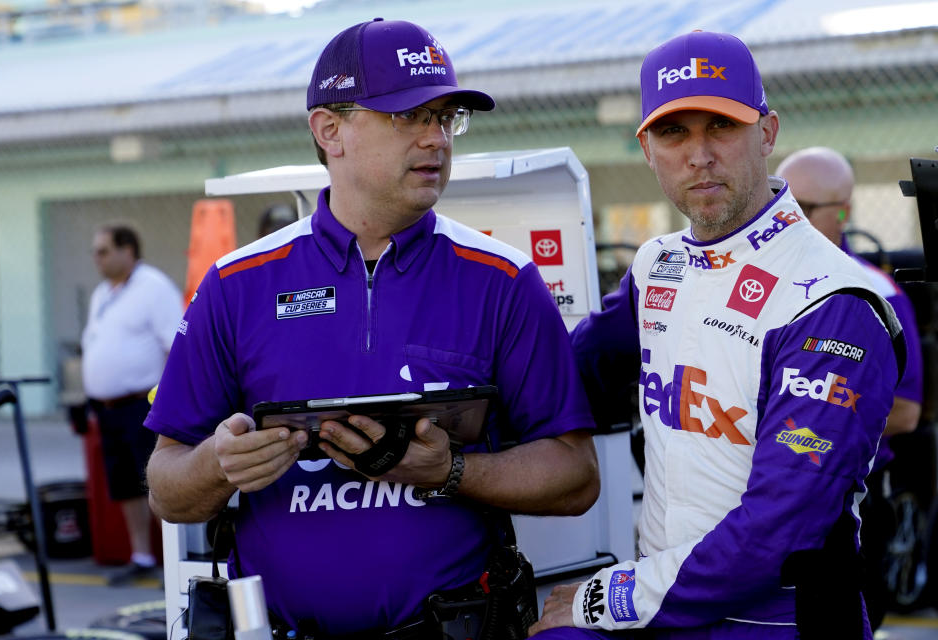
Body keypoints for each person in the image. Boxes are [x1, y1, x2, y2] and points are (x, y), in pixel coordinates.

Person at [144, 18, 600, 638]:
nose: (435, 139)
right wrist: (219, 465)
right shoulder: (236, 284)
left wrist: (451, 471)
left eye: (445, 118)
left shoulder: (504, 280)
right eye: (409, 116)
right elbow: (166, 492)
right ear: (329, 130)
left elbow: (576, 476)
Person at [530, 31, 906, 639]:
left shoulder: (832, 299)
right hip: (667, 607)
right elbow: (571, 372)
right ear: (647, 148)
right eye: (675, 132)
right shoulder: (658, 264)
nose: (698, 154)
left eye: (722, 127)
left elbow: (779, 526)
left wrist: (608, 597)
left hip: (780, 619)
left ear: (767, 133)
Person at [776, 146, 925, 628]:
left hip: (847, 506)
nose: (783, 218)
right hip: (766, 500)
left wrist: (807, 427)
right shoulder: (763, 283)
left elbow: (905, 412)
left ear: (842, 212)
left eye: (800, 208)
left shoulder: (878, 292)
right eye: (778, 203)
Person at [81, 223, 183, 585]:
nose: (96, 257)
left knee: (155, 480)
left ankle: (176, 561)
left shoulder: (152, 288)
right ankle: (142, 556)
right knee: (125, 484)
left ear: (128, 250)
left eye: (103, 250)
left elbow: (176, 346)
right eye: (96, 251)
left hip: (142, 404)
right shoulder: (103, 293)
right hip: (108, 408)